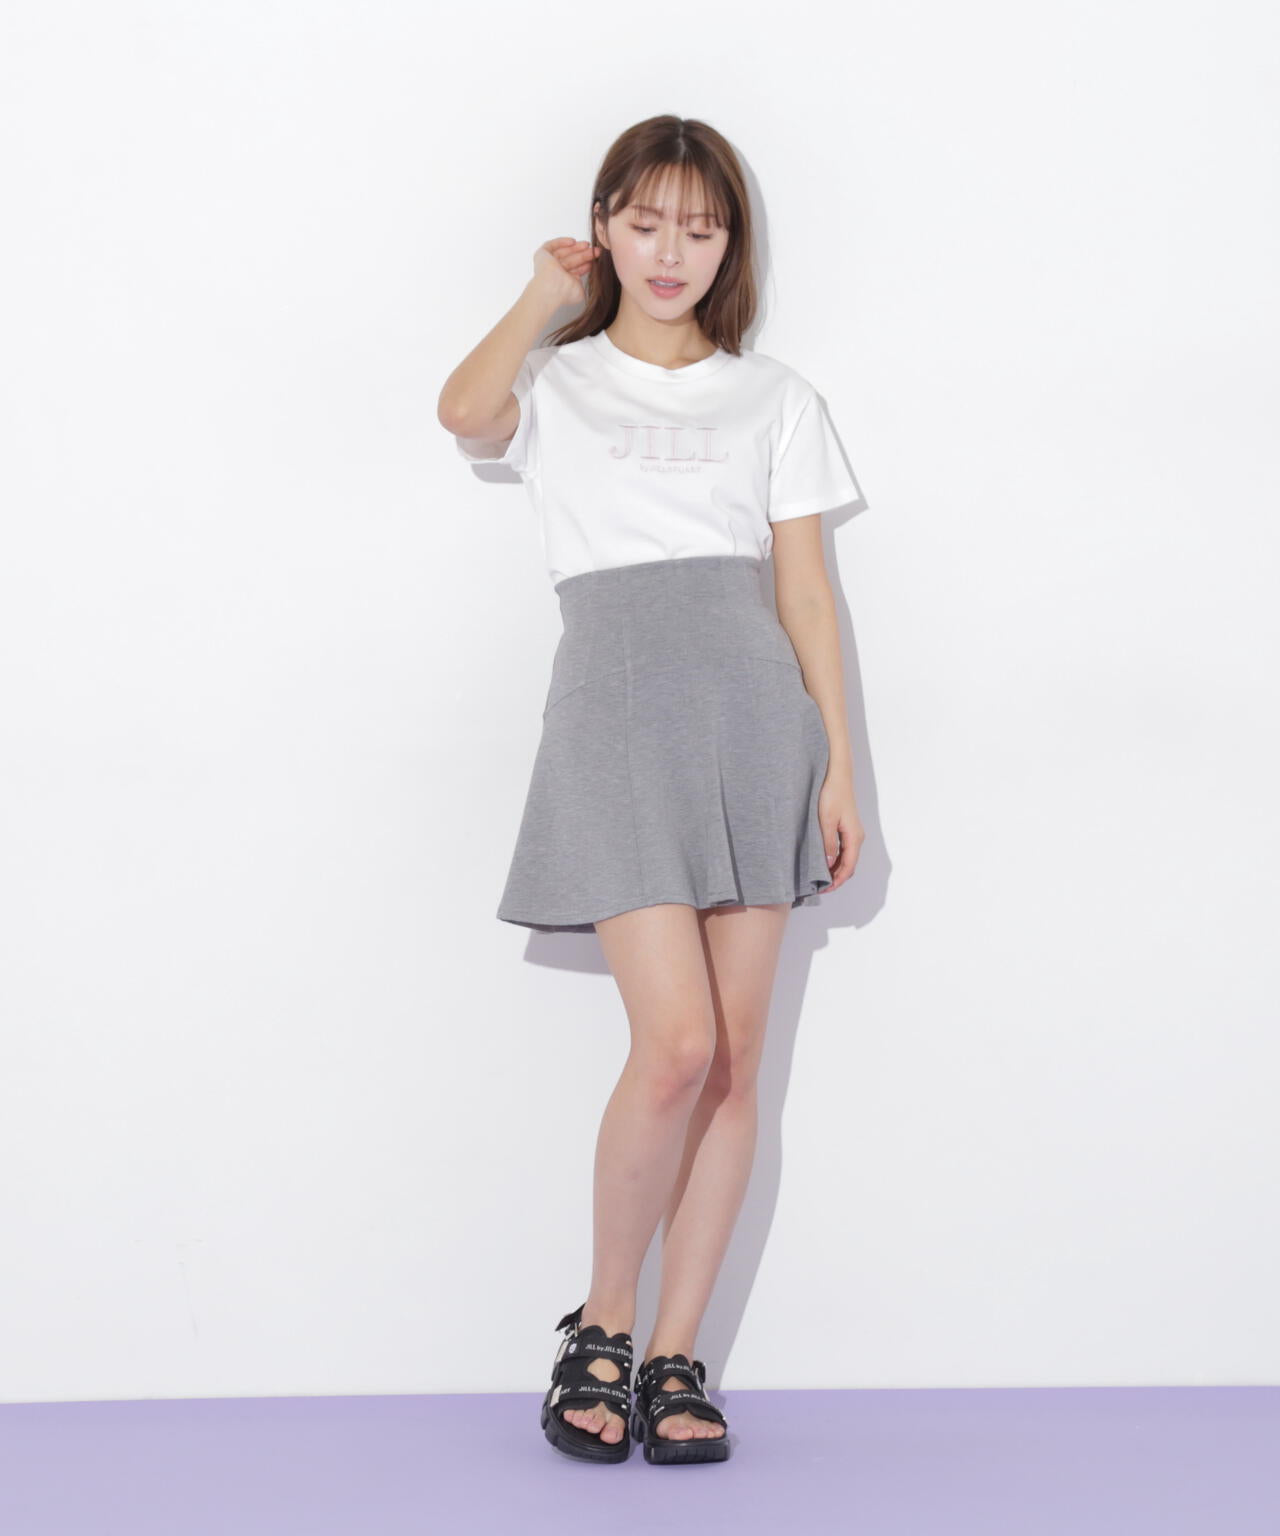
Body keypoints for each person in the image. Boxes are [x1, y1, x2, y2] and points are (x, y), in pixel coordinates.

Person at [437, 116, 867, 1465]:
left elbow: (805, 593)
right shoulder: (557, 380)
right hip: (616, 715)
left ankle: (679, 1357)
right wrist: (539, 297)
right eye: (645, 222)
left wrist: (840, 764)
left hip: (754, 722)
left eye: (701, 227)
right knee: (674, 1046)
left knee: (734, 1063)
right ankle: (603, 1327)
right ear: (605, 228)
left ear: (732, 245)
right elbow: (464, 415)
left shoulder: (774, 397)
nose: (672, 251)